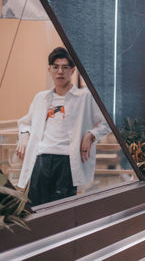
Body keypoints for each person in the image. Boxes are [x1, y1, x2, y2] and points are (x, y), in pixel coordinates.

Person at [16, 47, 111, 206]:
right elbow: (25, 122)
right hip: (41, 159)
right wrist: (24, 135)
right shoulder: (41, 98)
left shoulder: (85, 97)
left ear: (72, 70)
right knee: (35, 208)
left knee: (61, 210)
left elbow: (107, 122)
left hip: (67, 160)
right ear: (50, 70)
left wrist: (91, 134)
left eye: (65, 67)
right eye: (55, 67)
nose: (60, 71)